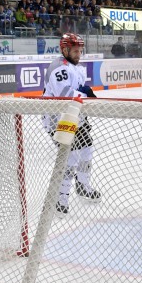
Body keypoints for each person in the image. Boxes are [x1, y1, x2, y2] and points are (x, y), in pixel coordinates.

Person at [42, 33, 101, 216]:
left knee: (87, 150)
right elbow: (65, 93)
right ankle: (61, 200)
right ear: (65, 49)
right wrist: (85, 94)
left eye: (80, 50)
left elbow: (77, 93)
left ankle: (83, 185)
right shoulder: (58, 67)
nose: (79, 54)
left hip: (76, 117)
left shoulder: (76, 67)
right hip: (58, 121)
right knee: (71, 156)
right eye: (75, 51)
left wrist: (84, 94)